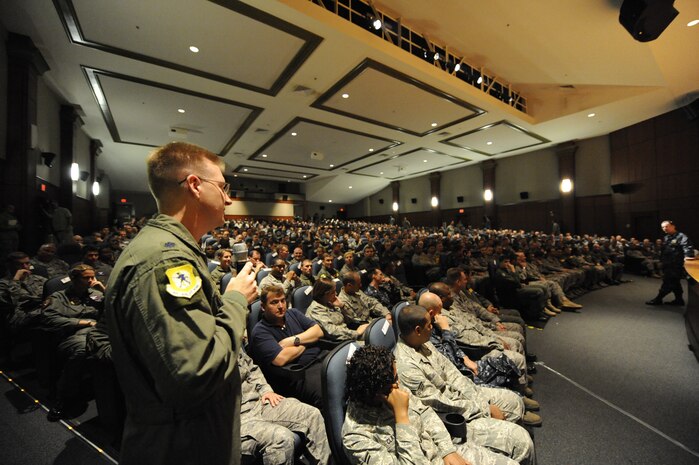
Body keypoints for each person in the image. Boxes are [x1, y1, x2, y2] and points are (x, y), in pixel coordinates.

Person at [104, 142, 258, 465]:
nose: (229, 198)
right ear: (195, 186)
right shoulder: (166, 260)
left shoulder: (176, 250)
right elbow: (197, 372)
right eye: (223, 186)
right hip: (181, 448)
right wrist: (236, 300)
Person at [394, 305, 537, 464]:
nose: (432, 327)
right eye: (429, 325)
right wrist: (483, 409)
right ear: (418, 330)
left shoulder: (423, 342)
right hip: (452, 415)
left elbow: (453, 374)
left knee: (513, 401)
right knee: (521, 441)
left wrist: (481, 400)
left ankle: (508, 435)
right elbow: (439, 403)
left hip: (463, 398)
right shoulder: (405, 365)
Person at [343, 345, 518, 465]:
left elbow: (426, 413)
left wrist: (447, 450)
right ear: (379, 390)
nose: (399, 383)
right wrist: (402, 417)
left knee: (518, 442)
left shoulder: (391, 387)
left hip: (442, 448)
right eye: (395, 380)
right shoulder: (356, 438)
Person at [238, 350, 330, 465]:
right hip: (232, 421)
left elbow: (251, 368)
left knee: (311, 415)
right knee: (281, 438)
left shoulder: (227, 341)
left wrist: (265, 390)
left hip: (257, 402)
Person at [249, 285, 327, 408]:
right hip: (298, 375)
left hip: (321, 359)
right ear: (263, 307)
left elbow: (318, 331)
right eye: (274, 302)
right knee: (329, 392)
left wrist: (294, 340)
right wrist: (307, 341)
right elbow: (281, 358)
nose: (280, 306)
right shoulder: (260, 332)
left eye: (282, 300)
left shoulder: (293, 313)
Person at [43, 264, 104, 421]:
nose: (91, 281)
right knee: (83, 350)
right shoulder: (58, 297)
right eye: (86, 278)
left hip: (98, 332)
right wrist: (84, 322)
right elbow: (50, 318)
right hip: (71, 336)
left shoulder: (96, 294)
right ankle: (62, 398)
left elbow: (113, 309)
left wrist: (104, 291)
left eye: (93, 277)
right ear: (73, 279)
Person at [646, 220, 695, 306]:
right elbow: (664, 251)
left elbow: (688, 248)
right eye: (663, 227)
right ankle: (679, 300)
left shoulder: (681, 236)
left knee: (668, 282)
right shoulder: (666, 237)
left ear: (673, 226)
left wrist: (687, 261)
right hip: (668, 264)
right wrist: (661, 261)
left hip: (676, 265)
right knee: (675, 283)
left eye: (667, 226)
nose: (665, 228)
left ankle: (658, 299)